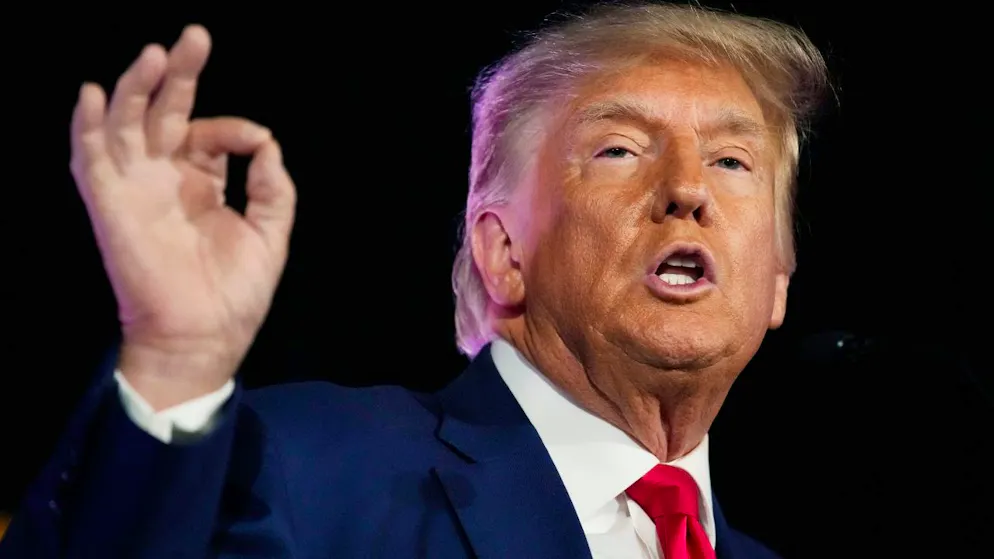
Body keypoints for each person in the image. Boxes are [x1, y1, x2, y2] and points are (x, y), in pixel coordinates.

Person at [0, 2, 828, 557]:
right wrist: (175, 362)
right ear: (504, 253)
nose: (689, 189)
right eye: (619, 149)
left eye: (731, 160)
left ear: (779, 277)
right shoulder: (305, 466)